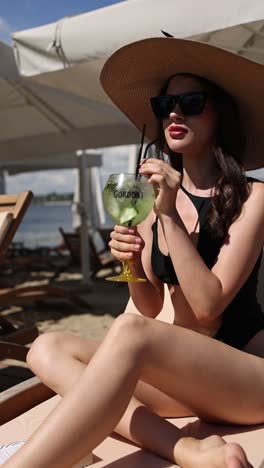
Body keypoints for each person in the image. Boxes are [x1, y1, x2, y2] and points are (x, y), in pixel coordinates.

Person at [1, 37, 264, 468]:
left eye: (192, 102)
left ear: (222, 113)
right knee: (44, 348)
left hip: (244, 378)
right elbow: (149, 303)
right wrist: (128, 262)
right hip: (184, 377)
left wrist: (170, 219)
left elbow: (207, 309)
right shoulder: (150, 198)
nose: (175, 113)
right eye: (165, 105)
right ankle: (183, 448)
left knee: (127, 331)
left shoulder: (253, 197)